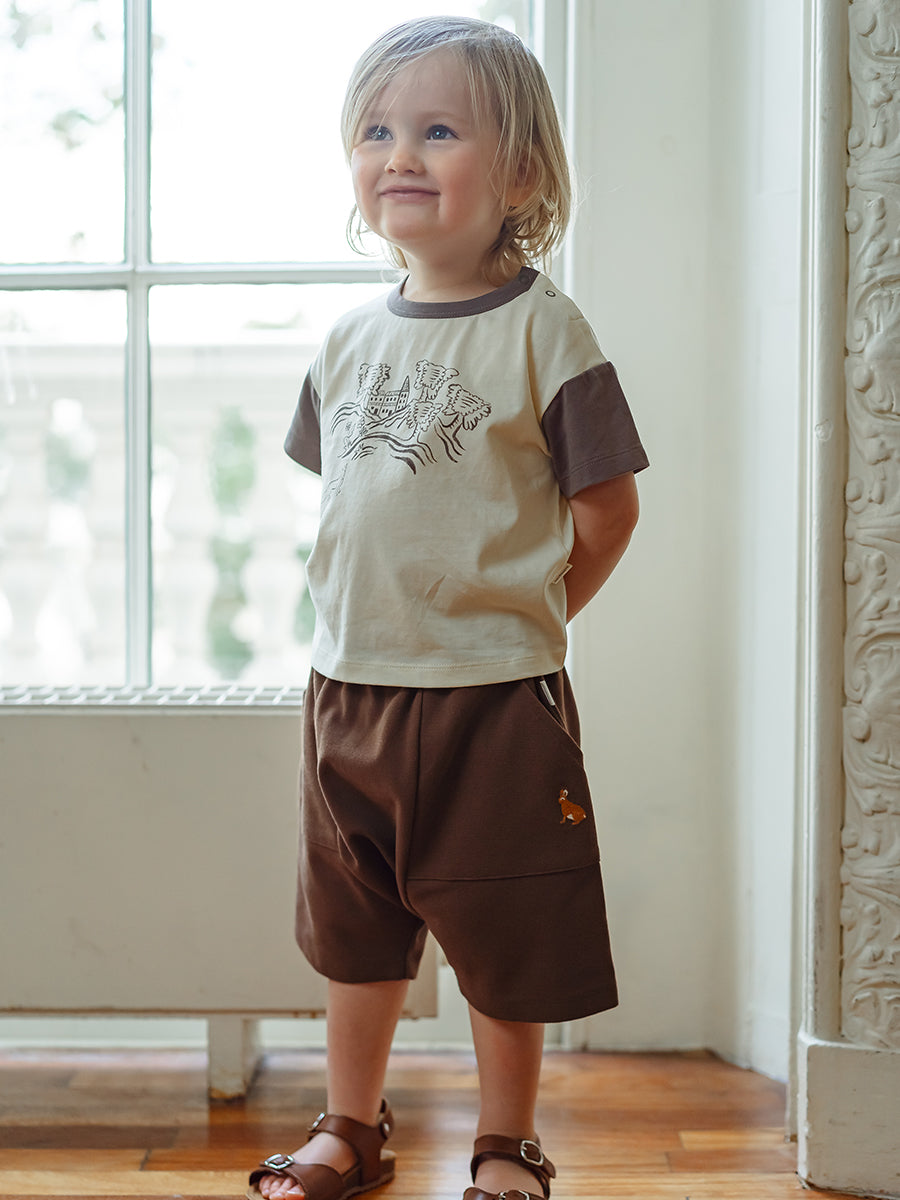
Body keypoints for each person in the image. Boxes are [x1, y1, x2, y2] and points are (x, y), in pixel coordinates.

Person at [247, 15, 648, 1200]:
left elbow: (608, 512)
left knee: (506, 936)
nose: (400, 155)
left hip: (493, 703)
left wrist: (525, 621)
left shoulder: (544, 330)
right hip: (350, 695)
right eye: (376, 131)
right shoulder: (346, 340)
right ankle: (350, 1126)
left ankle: (505, 1142)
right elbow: (357, 504)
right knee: (355, 933)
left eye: (437, 131)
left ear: (519, 174)